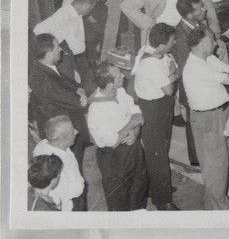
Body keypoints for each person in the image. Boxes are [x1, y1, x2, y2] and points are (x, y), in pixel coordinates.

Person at [173, 0, 229, 142]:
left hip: (208, 73)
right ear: (189, 14)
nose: (205, 10)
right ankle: (196, 158)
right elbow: (187, 67)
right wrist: (216, 75)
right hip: (196, 84)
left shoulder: (198, 25)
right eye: (200, 9)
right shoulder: (180, 34)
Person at [182, 25, 229, 210]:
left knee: (218, 167)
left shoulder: (208, 58)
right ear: (200, 45)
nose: (216, 43)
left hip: (221, 114)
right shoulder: (196, 67)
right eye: (211, 40)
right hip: (208, 120)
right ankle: (223, 217)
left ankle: (212, 210)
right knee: (215, 170)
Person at [130, 23, 180, 211]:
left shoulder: (152, 51)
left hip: (159, 106)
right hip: (153, 108)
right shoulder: (151, 62)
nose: (174, 43)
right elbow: (168, 89)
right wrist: (174, 74)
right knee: (157, 155)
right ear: (162, 44)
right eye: (172, 41)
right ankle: (163, 201)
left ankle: (155, 188)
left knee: (159, 151)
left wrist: (170, 73)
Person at [88, 62, 148, 211]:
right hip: (114, 159)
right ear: (109, 85)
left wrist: (135, 131)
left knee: (139, 189)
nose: (123, 76)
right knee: (119, 201)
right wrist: (131, 125)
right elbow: (113, 142)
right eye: (118, 76)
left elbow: (137, 115)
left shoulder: (120, 92)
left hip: (133, 149)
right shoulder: (97, 109)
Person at [28, 33, 89, 172]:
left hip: (61, 129)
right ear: (49, 53)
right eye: (57, 47)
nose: (61, 49)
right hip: (63, 134)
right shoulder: (45, 81)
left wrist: (79, 89)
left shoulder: (42, 67)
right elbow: (78, 103)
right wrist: (80, 94)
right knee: (70, 171)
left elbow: (67, 82)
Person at [34, 0, 98, 93]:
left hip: (77, 58)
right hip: (66, 60)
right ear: (86, 6)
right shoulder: (64, 15)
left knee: (87, 87)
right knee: (76, 91)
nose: (89, 12)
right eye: (90, 9)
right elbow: (38, 30)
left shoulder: (76, 13)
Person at [32, 115, 85, 212]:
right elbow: (75, 191)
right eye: (72, 132)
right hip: (69, 205)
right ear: (61, 139)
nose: (77, 132)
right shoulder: (59, 162)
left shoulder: (43, 144)